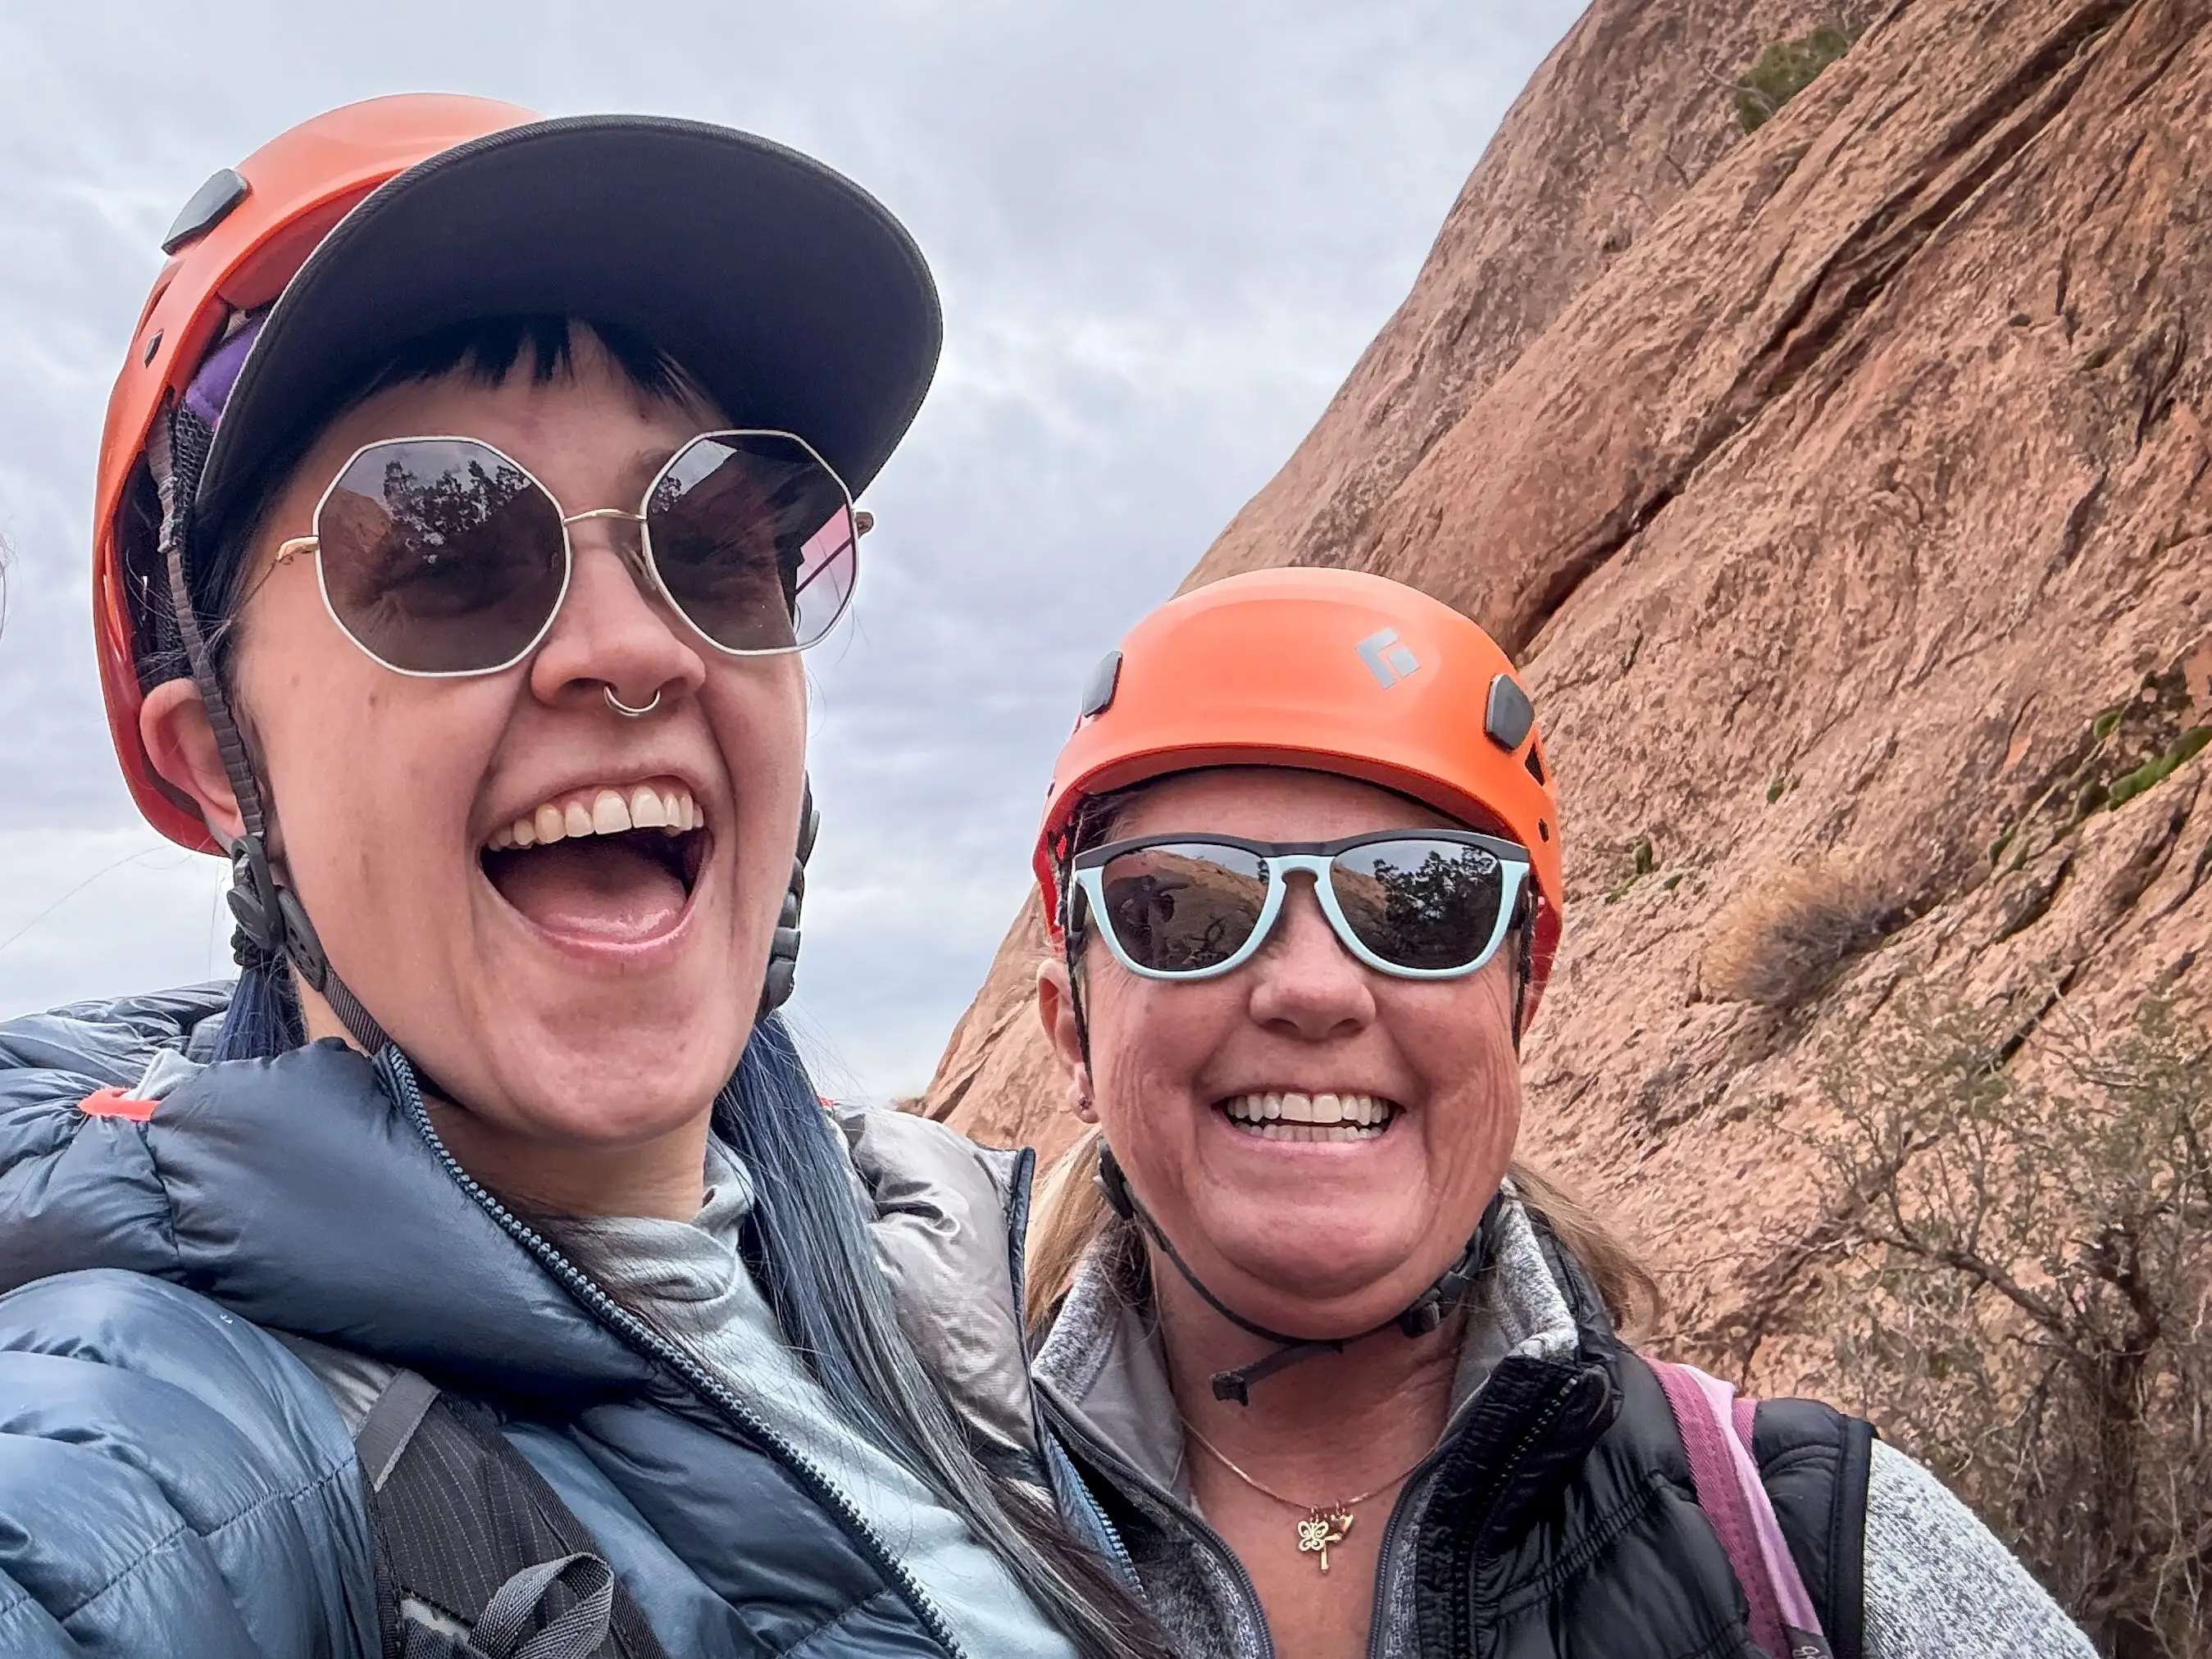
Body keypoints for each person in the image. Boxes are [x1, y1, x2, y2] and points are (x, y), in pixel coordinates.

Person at [0, 96, 1162, 1659]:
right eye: (441, 549)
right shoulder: (161, 1463)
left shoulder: (913, 1280)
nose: (632, 647)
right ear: (224, 764)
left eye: (717, 538)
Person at [1017, 567, 2097, 1658]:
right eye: (1190, 906)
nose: (1314, 989)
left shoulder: (1820, 1550)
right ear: (1075, 1033)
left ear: (1515, 1014)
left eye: (1422, 902)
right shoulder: (903, 1545)